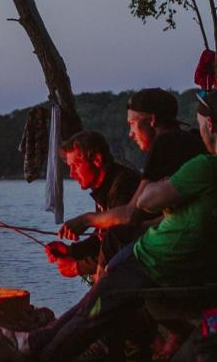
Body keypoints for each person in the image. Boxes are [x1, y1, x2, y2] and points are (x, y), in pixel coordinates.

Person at [28, 88, 217, 362]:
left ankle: (41, 359)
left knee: (95, 307)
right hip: (203, 267)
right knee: (97, 297)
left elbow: (143, 203)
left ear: (210, 125)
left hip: (156, 261)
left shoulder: (205, 168)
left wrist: (160, 187)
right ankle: (33, 343)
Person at [57, 88, 205, 245]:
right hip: (196, 227)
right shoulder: (190, 140)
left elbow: (130, 214)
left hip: (189, 239)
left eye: (132, 124)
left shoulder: (164, 142)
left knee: (118, 236)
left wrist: (85, 220)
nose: (130, 133)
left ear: (152, 120)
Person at [43, 131, 141, 280]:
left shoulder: (123, 184)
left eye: (75, 165)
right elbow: (101, 238)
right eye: (70, 167)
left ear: (97, 160)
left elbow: (119, 242)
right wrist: (71, 251)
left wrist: (77, 267)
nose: (71, 173)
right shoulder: (102, 188)